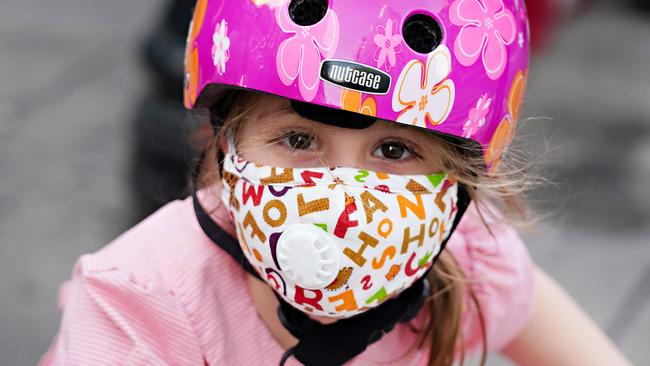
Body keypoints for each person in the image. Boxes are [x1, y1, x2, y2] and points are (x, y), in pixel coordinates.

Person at [40, 0, 632, 365]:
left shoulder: (469, 263)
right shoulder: (142, 301)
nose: (338, 197)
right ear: (226, 145)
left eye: (394, 150)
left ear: (457, 185)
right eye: (298, 140)